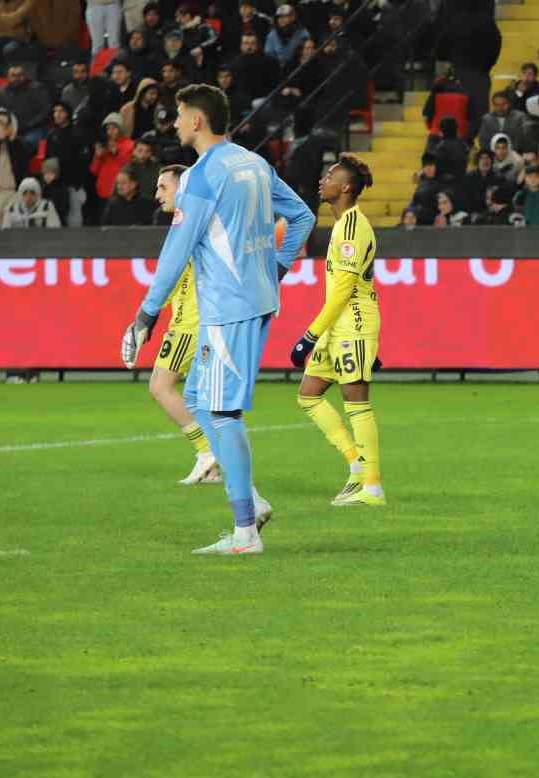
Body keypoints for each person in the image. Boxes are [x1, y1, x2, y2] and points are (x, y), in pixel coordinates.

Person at [122, 85, 315, 555]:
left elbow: (176, 251)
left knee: (223, 412)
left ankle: (246, 531)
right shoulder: (253, 162)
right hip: (249, 299)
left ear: (196, 121)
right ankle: (250, 499)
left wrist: (146, 313)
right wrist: (278, 267)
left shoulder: (202, 177)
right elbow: (303, 216)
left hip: (229, 306)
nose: (173, 123)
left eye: (178, 115)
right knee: (196, 396)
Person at [290, 156, 384, 508]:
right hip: (341, 328)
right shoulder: (344, 225)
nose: (323, 180)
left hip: (352, 324)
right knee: (308, 395)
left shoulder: (352, 228)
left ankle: (372, 486)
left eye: (330, 175)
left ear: (345, 187)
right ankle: (356, 465)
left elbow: (345, 290)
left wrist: (309, 335)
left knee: (356, 403)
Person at [146, 164, 221, 486]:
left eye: (163, 187)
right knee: (199, 398)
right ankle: (214, 468)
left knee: (160, 386)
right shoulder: (198, 223)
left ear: (182, 189)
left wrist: (145, 315)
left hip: (189, 324)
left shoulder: (188, 224)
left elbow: (174, 276)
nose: (157, 194)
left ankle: (206, 452)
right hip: (199, 321)